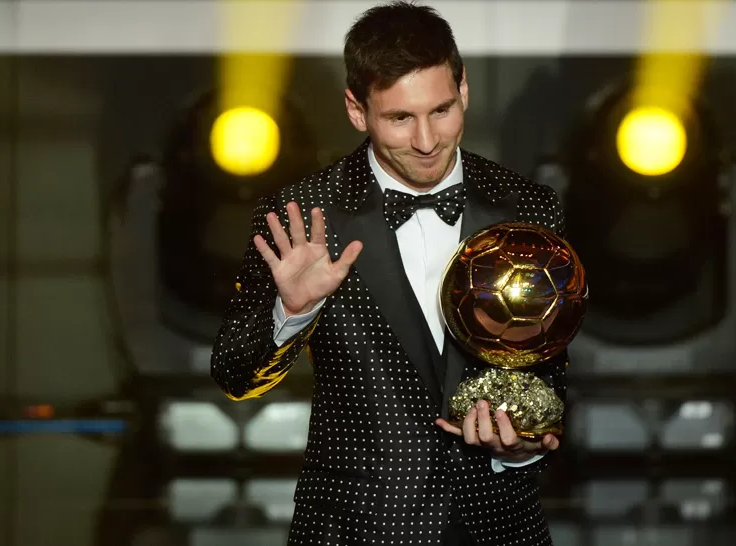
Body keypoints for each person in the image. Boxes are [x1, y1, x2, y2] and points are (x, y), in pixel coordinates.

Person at [210, 2, 568, 544]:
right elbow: (235, 374)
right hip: (355, 527)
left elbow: (552, 375)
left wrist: (519, 447)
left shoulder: (530, 208)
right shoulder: (303, 215)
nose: (426, 140)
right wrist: (293, 313)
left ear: (464, 89)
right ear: (357, 110)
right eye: (400, 118)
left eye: (442, 110)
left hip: (501, 526)